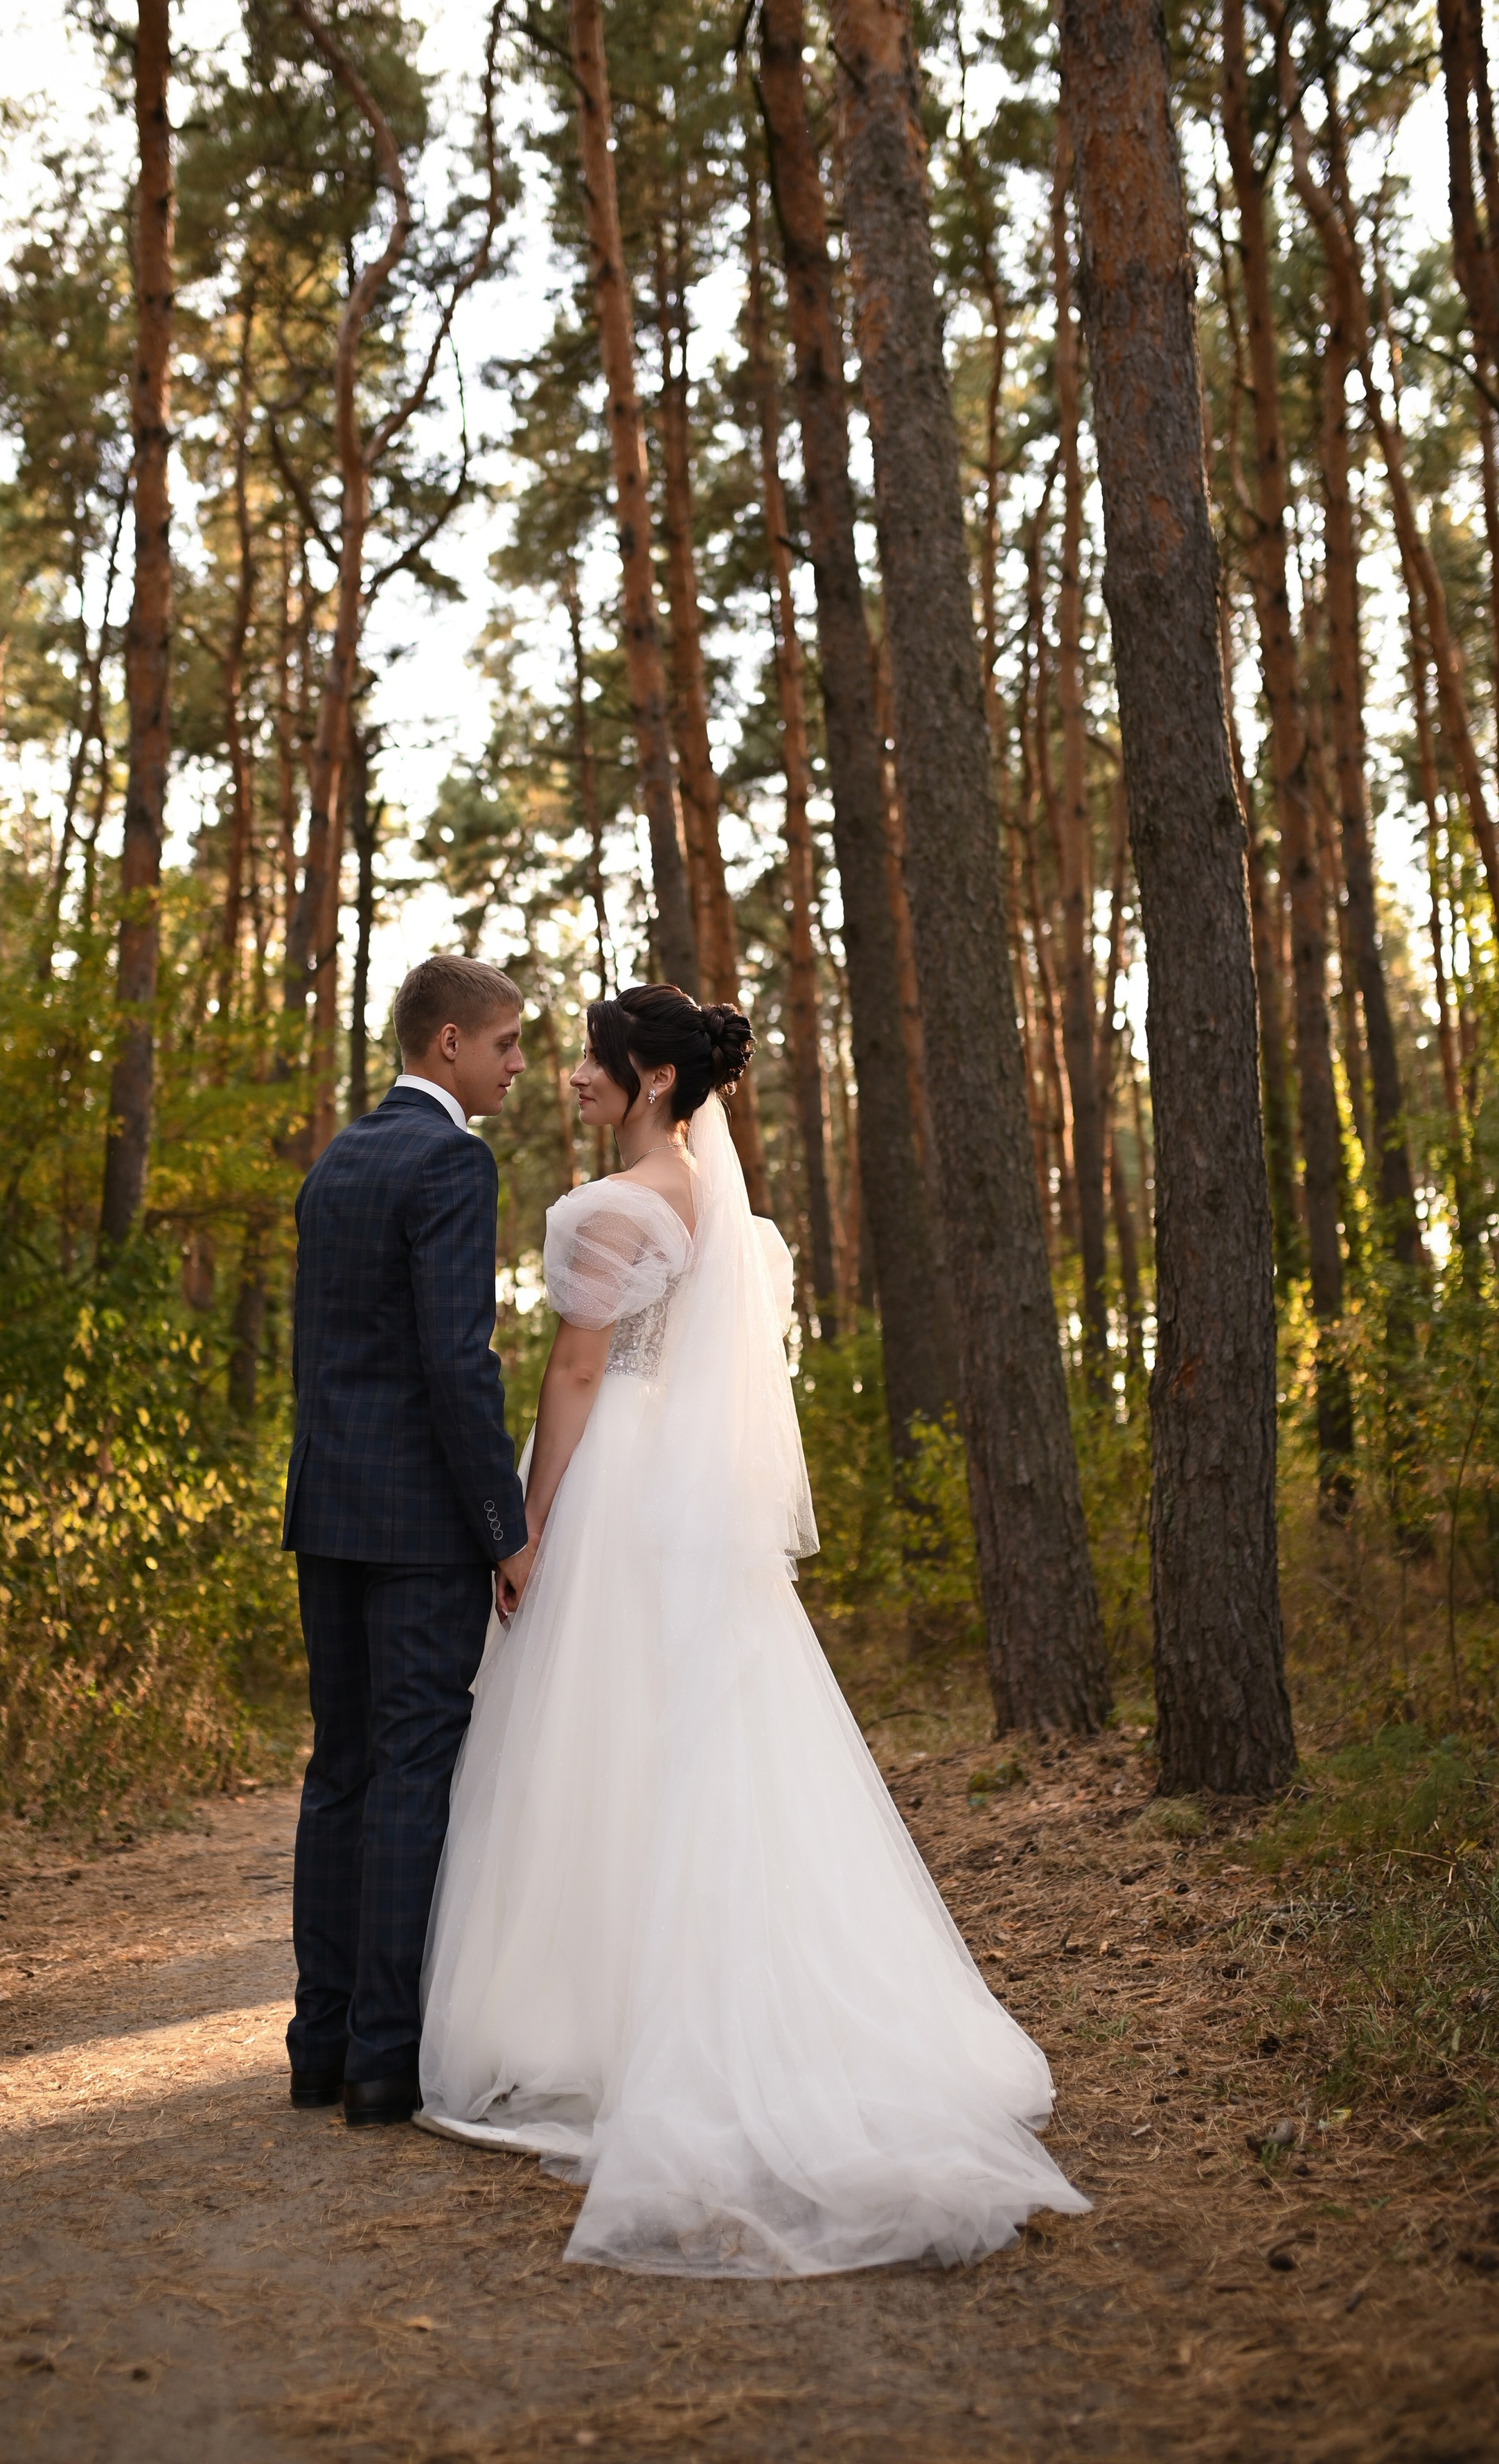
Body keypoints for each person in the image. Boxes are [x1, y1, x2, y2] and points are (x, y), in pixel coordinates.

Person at [417, 982, 1090, 2276]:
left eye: (593, 1065)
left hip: (617, 1477)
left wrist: (527, 1520)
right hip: (688, 1490)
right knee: (689, 1739)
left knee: (594, 1739)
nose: (569, 1079)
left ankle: (602, 2023)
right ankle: (662, 2013)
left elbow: (572, 1370)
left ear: (653, 1082)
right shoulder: (717, 1210)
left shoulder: (621, 1204)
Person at [283, 954, 533, 2129]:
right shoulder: (451, 1159)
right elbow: (454, 1361)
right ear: (448, 1047)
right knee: (410, 1774)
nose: (518, 1065)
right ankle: (387, 2057)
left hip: (327, 1511)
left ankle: (318, 2046)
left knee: (339, 1772)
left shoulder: (335, 1160)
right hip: (423, 1527)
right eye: (505, 1045)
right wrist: (505, 1526)